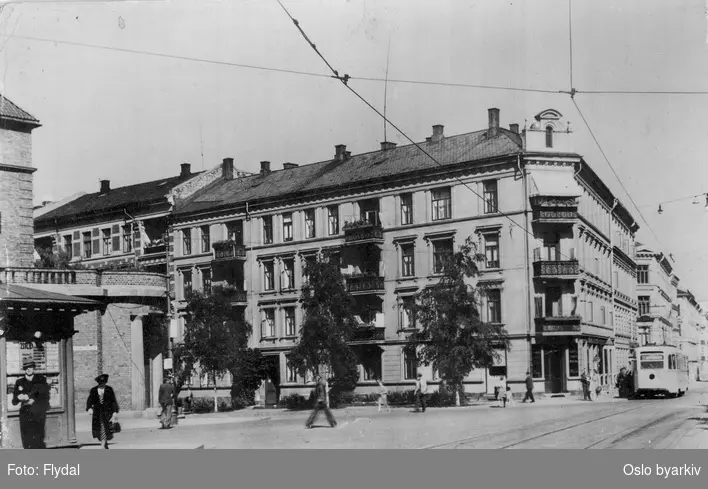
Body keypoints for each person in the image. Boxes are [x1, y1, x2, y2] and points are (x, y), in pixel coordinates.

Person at [11, 360, 50, 449]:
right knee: (26, 440)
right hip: (25, 414)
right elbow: (14, 401)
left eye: (31, 367)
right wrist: (19, 397)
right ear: (24, 369)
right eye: (26, 367)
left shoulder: (41, 379)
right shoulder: (19, 382)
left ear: (34, 368)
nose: (28, 369)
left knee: (38, 439)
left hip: (38, 414)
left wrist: (33, 400)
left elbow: (45, 396)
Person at [86, 374, 119, 449]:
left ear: (105, 382)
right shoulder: (93, 390)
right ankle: (104, 442)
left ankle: (103, 444)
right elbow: (90, 400)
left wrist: (114, 412)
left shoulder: (109, 389)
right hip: (97, 412)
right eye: (100, 383)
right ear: (98, 383)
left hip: (107, 411)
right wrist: (89, 408)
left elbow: (113, 401)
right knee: (100, 427)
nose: (102, 384)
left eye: (103, 383)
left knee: (104, 427)